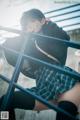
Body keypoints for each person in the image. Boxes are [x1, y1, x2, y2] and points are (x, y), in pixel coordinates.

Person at [0, 9, 80, 120]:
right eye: (27, 25)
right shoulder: (31, 44)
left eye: (33, 21)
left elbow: (64, 37)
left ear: (43, 21)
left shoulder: (52, 32)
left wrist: (49, 24)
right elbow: (8, 46)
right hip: (44, 88)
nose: (30, 26)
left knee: (64, 113)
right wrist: (25, 35)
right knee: (5, 100)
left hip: (65, 82)